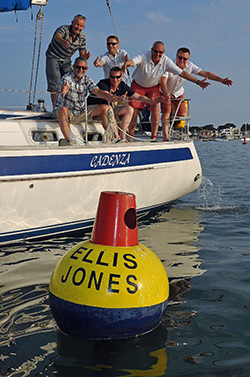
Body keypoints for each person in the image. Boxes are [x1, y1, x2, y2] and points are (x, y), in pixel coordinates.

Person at [123, 41, 209, 140]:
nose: (157, 54)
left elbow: (182, 73)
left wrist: (198, 82)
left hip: (153, 86)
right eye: (155, 51)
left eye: (160, 52)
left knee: (155, 107)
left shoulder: (166, 61)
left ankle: (153, 137)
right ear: (152, 50)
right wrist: (127, 64)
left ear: (164, 52)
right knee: (134, 110)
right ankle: (131, 136)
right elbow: (133, 61)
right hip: (138, 84)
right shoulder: (144, 55)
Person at [160, 47, 233, 141]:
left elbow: (205, 73)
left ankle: (172, 117)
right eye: (180, 57)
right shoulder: (169, 65)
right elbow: (163, 82)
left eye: (185, 59)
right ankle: (166, 137)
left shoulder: (190, 66)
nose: (182, 60)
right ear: (176, 56)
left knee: (182, 115)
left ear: (188, 59)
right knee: (166, 112)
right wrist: (166, 95)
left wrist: (221, 80)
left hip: (178, 92)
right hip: (165, 91)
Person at [87, 66, 163, 141]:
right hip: (94, 110)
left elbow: (138, 97)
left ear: (121, 76)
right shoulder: (103, 83)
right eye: (112, 77)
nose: (115, 80)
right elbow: (106, 95)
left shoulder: (122, 86)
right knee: (108, 108)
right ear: (109, 76)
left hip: (108, 110)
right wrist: (117, 98)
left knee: (129, 109)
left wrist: (150, 101)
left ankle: (122, 137)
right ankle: (116, 137)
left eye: (117, 77)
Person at [53, 56, 116, 146]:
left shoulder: (87, 80)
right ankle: (68, 140)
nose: (81, 70)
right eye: (78, 67)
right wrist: (65, 88)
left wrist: (107, 97)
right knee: (63, 109)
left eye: (84, 68)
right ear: (73, 67)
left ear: (87, 69)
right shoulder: (67, 78)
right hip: (66, 112)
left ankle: (113, 138)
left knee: (106, 108)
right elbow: (65, 84)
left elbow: (96, 91)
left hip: (81, 112)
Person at [46, 14, 91, 108]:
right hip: (53, 56)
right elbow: (57, 35)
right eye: (77, 24)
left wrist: (85, 57)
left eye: (81, 26)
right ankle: (56, 108)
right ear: (72, 23)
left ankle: (69, 107)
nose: (78, 27)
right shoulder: (64, 29)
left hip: (66, 59)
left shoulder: (82, 37)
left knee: (71, 80)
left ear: (84, 27)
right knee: (55, 82)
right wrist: (63, 41)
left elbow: (81, 55)